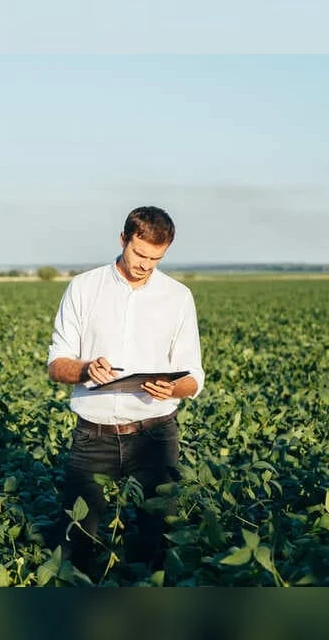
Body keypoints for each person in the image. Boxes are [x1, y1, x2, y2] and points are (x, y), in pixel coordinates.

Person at [45, 205, 205, 580]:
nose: (145, 265)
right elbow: (56, 364)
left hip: (156, 435)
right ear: (123, 239)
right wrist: (85, 369)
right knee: (77, 541)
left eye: (155, 259)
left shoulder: (178, 297)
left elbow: (194, 376)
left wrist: (173, 387)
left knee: (159, 542)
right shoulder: (84, 288)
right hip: (93, 436)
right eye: (139, 254)